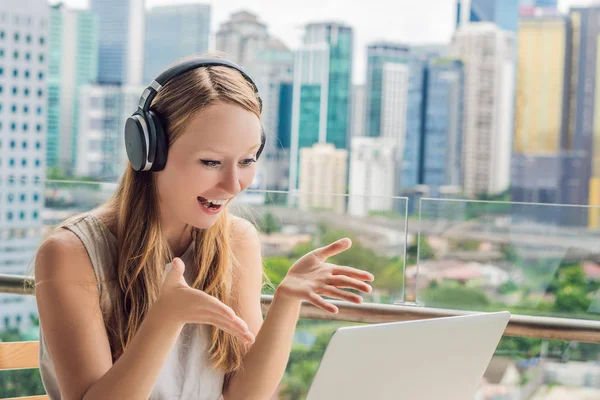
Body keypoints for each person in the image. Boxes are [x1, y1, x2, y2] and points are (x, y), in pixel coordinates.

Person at [34, 55, 375, 400]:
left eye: (246, 161)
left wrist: (286, 301)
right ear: (149, 152)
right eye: (211, 162)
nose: (233, 185)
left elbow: (245, 395)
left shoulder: (238, 241)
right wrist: (164, 321)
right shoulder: (70, 254)